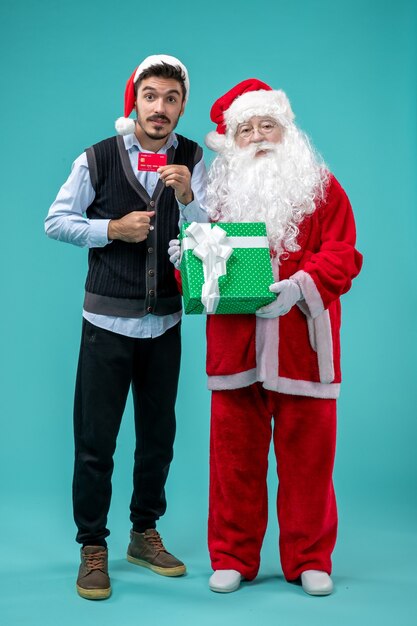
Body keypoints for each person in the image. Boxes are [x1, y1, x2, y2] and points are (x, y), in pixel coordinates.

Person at [170, 78, 362, 595]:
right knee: (233, 463)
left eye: (267, 125)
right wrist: (187, 263)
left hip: (305, 348)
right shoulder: (218, 196)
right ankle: (233, 555)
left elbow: (344, 253)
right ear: (231, 139)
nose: (257, 136)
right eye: (246, 128)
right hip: (235, 350)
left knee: (309, 461)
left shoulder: (321, 186)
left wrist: (302, 286)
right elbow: (200, 271)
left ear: (286, 129)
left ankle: (310, 558)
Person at [45, 54, 207, 600]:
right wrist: (111, 227)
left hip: (165, 322)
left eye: (171, 99)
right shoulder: (96, 158)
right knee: (96, 441)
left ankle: (144, 533)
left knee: (158, 438)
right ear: (134, 101)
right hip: (106, 321)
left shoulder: (193, 159)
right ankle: (93, 545)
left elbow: (216, 235)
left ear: (182, 106)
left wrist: (189, 198)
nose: (159, 108)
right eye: (151, 97)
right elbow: (56, 221)